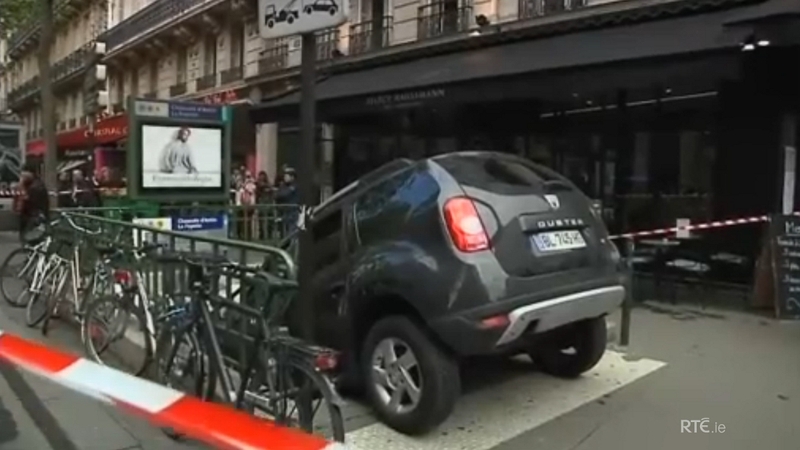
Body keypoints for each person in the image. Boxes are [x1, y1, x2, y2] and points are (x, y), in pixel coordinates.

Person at [18, 162, 50, 243]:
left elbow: (26, 202)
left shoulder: (35, 187)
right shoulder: (34, 185)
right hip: (33, 218)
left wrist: (22, 185)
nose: (22, 175)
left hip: (33, 219)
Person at [275, 167, 299, 236]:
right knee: (283, 233)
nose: (285, 178)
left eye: (287, 176)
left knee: (291, 233)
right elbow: (277, 195)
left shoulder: (294, 186)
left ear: (292, 177)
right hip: (284, 213)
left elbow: (285, 194)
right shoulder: (283, 186)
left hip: (292, 213)